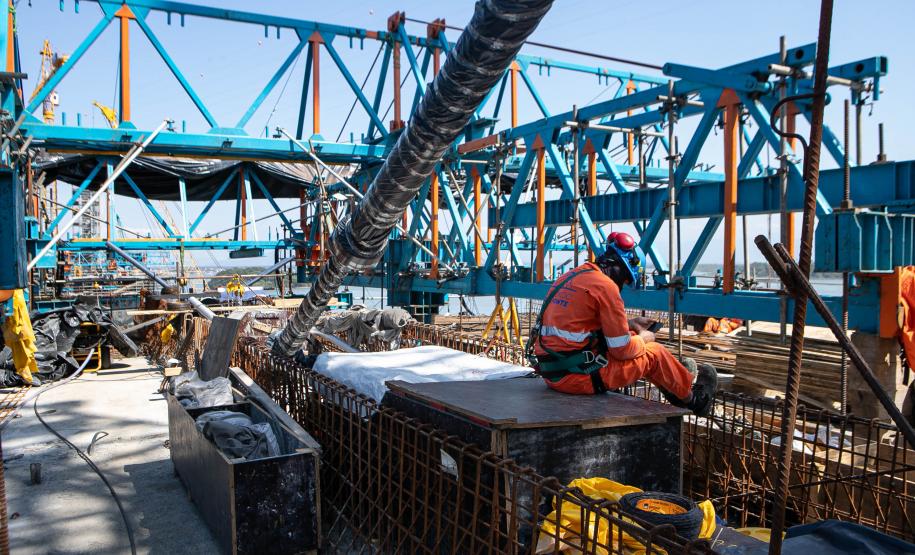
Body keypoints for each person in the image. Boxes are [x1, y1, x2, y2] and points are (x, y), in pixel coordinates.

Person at [527, 232, 718, 416]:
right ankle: (694, 401)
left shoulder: (573, 276)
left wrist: (630, 323)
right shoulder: (606, 287)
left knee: (634, 339)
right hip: (578, 378)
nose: (623, 285)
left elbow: (581, 323)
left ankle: (677, 385)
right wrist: (644, 338)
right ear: (623, 268)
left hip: (553, 374)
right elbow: (621, 350)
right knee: (654, 353)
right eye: (626, 280)